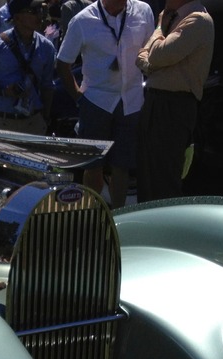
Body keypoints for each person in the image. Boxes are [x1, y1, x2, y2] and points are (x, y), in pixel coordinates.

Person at [57, 0, 153, 207]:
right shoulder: (82, 20)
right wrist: (79, 97)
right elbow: (63, 62)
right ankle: (91, 213)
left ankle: (118, 214)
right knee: (93, 165)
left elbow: (150, 50)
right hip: (96, 101)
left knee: (122, 166)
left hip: (132, 101)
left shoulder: (143, 11)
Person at [134, 0, 212, 201]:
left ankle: (165, 219)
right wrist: (154, 60)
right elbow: (142, 58)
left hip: (174, 106)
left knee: (164, 178)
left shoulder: (197, 20)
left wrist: (160, 28)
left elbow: (157, 55)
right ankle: (148, 219)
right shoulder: (174, 18)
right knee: (147, 175)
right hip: (156, 101)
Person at [0, 0, 55, 135]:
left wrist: (45, 118)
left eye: (40, 10)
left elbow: (47, 87)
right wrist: (4, 91)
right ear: (17, 18)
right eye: (33, 11)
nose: (39, 15)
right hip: (1, 123)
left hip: (34, 123)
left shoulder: (47, 47)